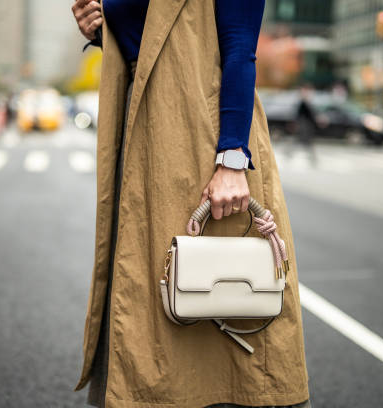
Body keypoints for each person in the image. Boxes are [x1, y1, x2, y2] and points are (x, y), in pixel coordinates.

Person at [71, 1, 311, 407]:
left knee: (211, 306)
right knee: (150, 303)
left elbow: (239, 47)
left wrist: (233, 159)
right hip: (143, 139)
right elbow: (149, 43)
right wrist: (101, 31)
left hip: (203, 139)